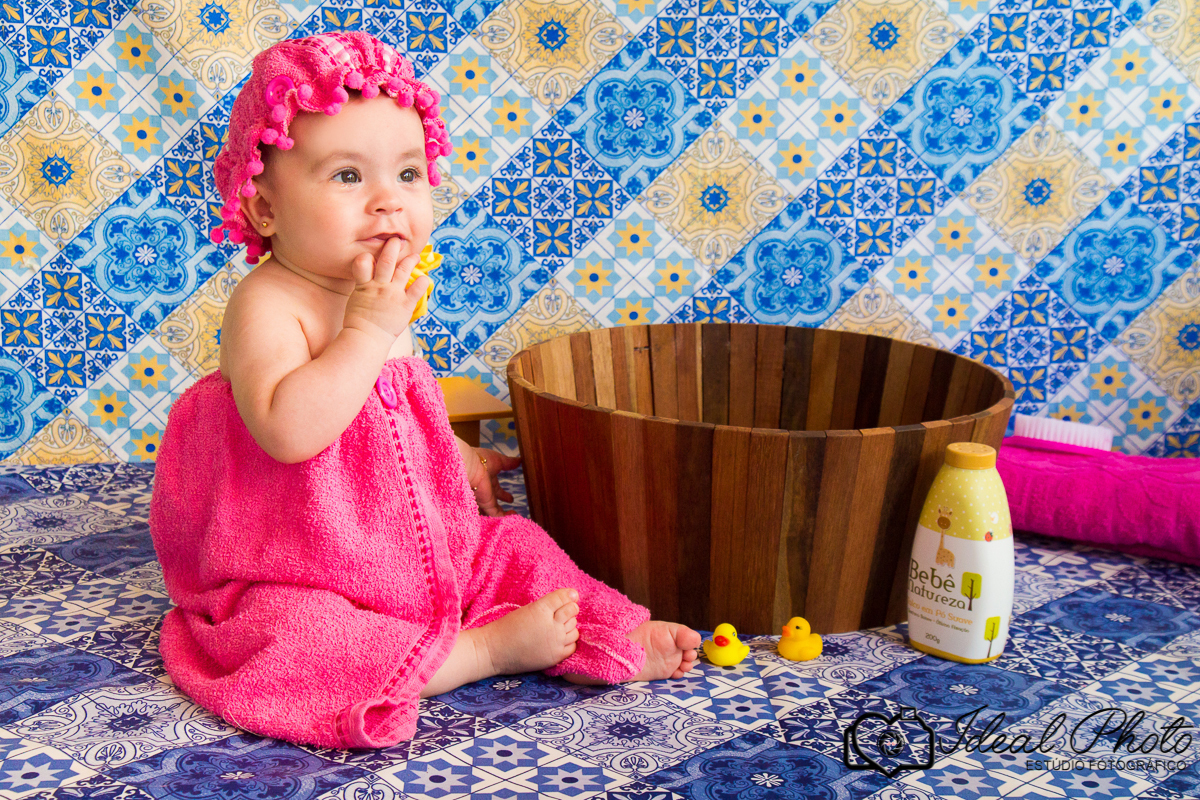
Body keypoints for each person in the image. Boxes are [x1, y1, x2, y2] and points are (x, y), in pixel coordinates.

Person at [148, 31, 700, 750]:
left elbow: (396, 416)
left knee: (516, 546)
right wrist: (366, 330)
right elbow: (289, 431)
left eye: (409, 173)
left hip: (410, 549)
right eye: (348, 176)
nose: (388, 202)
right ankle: (482, 652)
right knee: (297, 637)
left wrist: (457, 458)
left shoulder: (382, 295)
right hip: (304, 570)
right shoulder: (270, 304)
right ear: (263, 210)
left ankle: (612, 633)